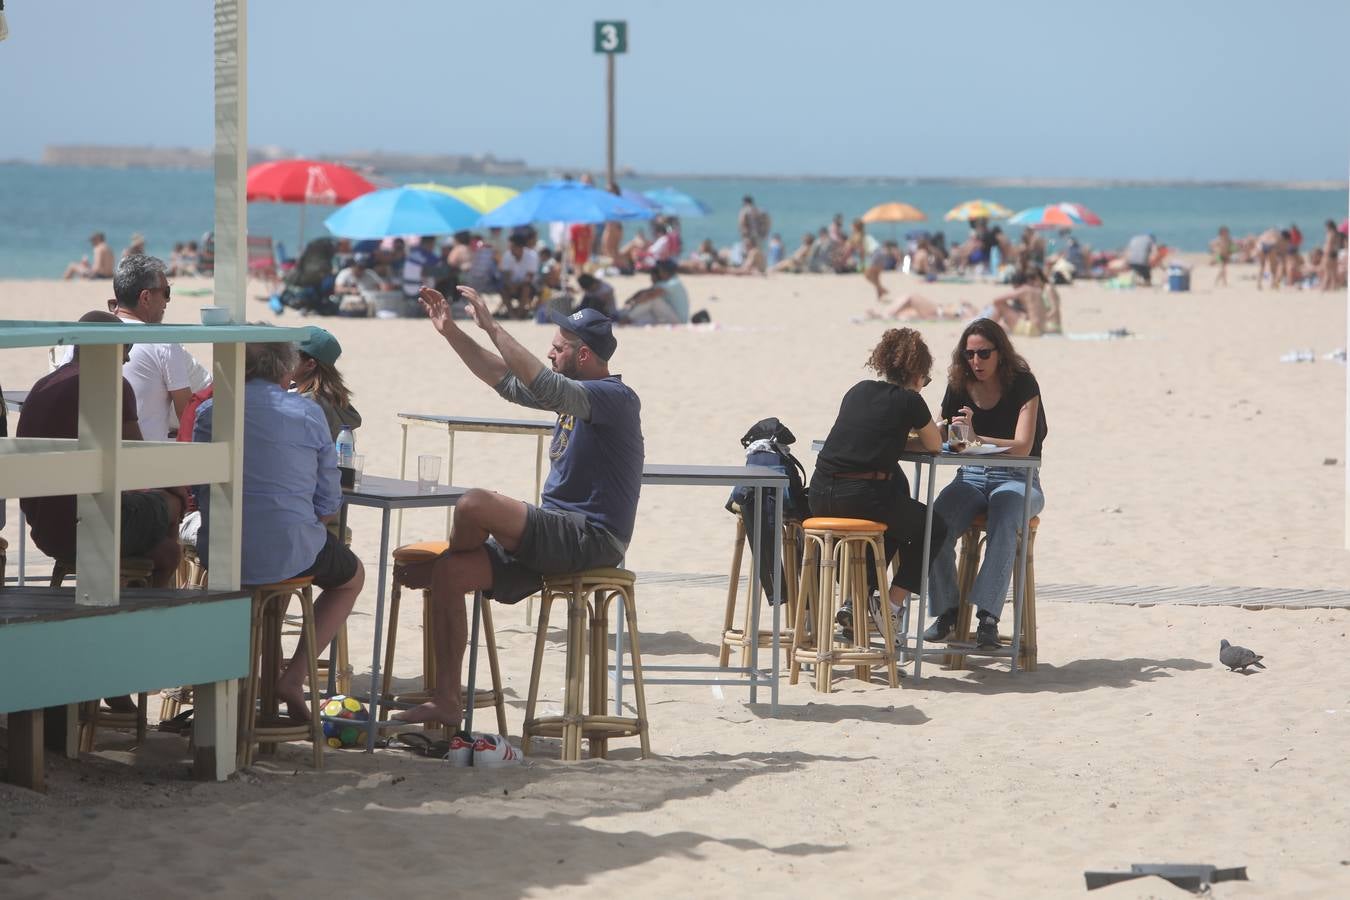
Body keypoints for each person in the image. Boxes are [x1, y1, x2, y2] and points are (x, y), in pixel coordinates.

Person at [394, 287, 643, 730]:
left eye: (559, 347)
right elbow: (506, 382)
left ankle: (459, 554)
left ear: (583, 356)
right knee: (449, 576)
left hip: (591, 537)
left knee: (473, 505)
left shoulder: (613, 397)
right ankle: (447, 701)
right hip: (556, 538)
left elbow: (543, 383)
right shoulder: (574, 393)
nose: (549, 352)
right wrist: (451, 331)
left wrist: (492, 325)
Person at [193, 339, 365, 721]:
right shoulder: (307, 413)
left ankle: (237, 686)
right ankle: (293, 676)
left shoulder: (210, 412)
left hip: (223, 551)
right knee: (351, 577)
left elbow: (200, 490)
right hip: (289, 551)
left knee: (249, 583)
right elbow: (328, 500)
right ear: (286, 369)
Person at [18, 311, 185, 586]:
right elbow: (138, 462)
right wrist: (176, 488)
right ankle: (145, 613)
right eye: (126, 348)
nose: (128, 358)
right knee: (171, 502)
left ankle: (126, 592)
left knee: (166, 553)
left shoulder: (43, 384)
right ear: (111, 346)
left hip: (44, 527)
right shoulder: (110, 382)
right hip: (84, 525)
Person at [809, 328, 944, 643]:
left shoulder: (858, 390)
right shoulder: (911, 401)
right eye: (925, 379)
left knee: (895, 512)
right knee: (933, 527)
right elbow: (935, 444)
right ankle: (891, 604)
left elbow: (869, 436)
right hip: (858, 497)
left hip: (819, 493)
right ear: (917, 373)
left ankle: (858, 599)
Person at [924, 319, 1047, 649]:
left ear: (1000, 354)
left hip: (1018, 476)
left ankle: (987, 616)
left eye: (983, 354)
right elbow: (944, 431)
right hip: (972, 475)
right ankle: (947, 610)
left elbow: (1023, 445)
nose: (975, 362)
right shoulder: (959, 383)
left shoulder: (1023, 384)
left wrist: (977, 439)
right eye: (969, 354)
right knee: (935, 523)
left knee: (1005, 518)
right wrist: (932, 432)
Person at [292, 328, 361, 441]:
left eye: (289, 355)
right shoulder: (333, 398)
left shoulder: (308, 404)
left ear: (310, 364)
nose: (282, 359)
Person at [618, 259, 688, 325]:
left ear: (664, 271)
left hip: (679, 320)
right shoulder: (670, 281)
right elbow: (646, 291)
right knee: (645, 313)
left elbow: (650, 295)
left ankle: (627, 318)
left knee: (653, 300)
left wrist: (634, 303)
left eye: (660, 270)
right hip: (673, 317)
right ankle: (626, 317)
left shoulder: (673, 283)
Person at [498, 234, 539, 318]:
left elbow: (529, 278)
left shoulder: (532, 255)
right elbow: (506, 276)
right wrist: (511, 285)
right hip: (512, 285)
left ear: (520, 247)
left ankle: (519, 314)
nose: (510, 249)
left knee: (526, 287)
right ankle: (511, 314)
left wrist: (516, 285)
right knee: (502, 288)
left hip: (528, 286)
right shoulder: (507, 255)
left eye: (512, 247)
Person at [401, 235, 440, 309]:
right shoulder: (429, 256)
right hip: (418, 288)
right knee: (432, 278)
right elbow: (437, 267)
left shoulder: (412, 252)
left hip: (405, 286)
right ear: (431, 243)